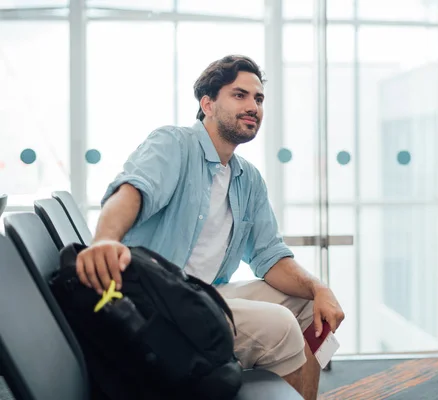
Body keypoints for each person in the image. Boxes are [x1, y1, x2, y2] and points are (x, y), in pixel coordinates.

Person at [75, 54, 345, 400]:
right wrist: (104, 241)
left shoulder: (248, 179)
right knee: (280, 327)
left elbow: (270, 256)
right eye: (239, 95)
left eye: (258, 98)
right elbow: (132, 190)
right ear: (208, 104)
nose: (253, 106)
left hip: (205, 295)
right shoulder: (174, 144)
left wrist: (319, 287)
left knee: (307, 306)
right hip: (160, 301)